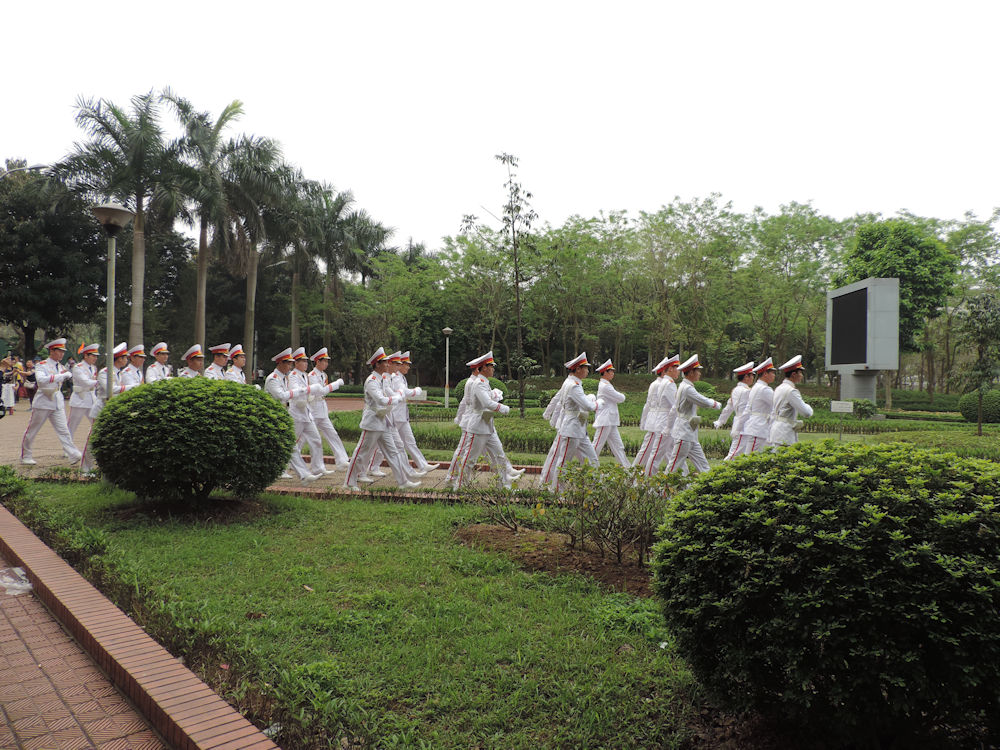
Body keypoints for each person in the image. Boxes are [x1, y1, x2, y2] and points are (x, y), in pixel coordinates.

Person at [344, 347, 422, 491]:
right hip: (372, 422)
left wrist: (396, 396)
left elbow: (388, 394)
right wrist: (397, 397)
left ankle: (403, 481)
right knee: (361, 452)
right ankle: (349, 481)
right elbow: (381, 400)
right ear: (377, 364)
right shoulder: (372, 381)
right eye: (385, 362)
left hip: (383, 421)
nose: (388, 364)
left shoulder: (382, 379)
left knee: (393, 452)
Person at [446, 353, 523, 489]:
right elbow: (487, 403)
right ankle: (460, 485)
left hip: (488, 426)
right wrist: (504, 408)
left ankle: (504, 485)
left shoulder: (484, 382)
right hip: (477, 426)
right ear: (483, 368)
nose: (493, 369)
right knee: (470, 459)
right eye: (491, 366)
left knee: (499, 456)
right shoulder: (478, 384)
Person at [20, 338, 83, 465]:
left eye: (63, 351)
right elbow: (41, 380)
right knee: (33, 429)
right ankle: (26, 455)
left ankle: (72, 453)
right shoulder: (41, 365)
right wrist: (62, 376)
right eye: (59, 351)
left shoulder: (60, 366)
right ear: (52, 351)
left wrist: (67, 375)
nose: (62, 354)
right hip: (43, 400)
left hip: (56, 400)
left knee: (63, 429)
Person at [541, 353, 599, 491]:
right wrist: (598, 402)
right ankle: (556, 491)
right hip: (571, 429)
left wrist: (548, 413)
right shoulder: (573, 386)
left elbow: (558, 398)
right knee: (563, 462)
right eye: (585, 368)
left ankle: (595, 489)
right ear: (578, 369)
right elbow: (588, 406)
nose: (587, 371)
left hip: (578, 429)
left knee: (592, 460)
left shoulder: (572, 383)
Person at [80, 343, 132, 474]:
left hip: (113, 408)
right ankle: (86, 468)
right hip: (101, 408)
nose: (126, 359)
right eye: (125, 357)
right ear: (119, 358)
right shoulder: (105, 372)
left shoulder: (117, 372)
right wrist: (131, 387)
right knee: (94, 439)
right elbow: (111, 390)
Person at [665, 354, 721, 475]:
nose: (699, 374)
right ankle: (662, 492)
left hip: (690, 433)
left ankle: (710, 489)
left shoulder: (685, 386)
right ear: (691, 372)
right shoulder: (687, 388)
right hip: (684, 433)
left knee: (704, 466)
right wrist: (715, 404)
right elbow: (702, 400)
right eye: (697, 371)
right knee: (673, 467)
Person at [288, 346, 327, 478]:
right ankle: (284, 468)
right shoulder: (293, 376)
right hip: (297, 413)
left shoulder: (304, 375)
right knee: (292, 442)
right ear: (296, 363)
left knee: (316, 439)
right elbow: (296, 391)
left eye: (306, 361)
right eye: (302, 361)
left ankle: (317, 468)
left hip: (306, 412)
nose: (305, 364)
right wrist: (310, 390)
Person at [630, 356, 674, 474]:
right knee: (648, 449)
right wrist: (643, 421)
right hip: (656, 421)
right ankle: (634, 472)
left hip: (657, 420)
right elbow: (649, 404)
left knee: (666, 450)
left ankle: (677, 473)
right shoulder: (658, 384)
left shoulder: (659, 383)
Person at [307, 347, 349, 469]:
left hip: (321, 409)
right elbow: (320, 392)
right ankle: (291, 462)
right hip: (313, 408)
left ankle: (342, 459)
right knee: (306, 438)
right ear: (317, 362)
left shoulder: (323, 375)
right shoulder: (312, 375)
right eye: (324, 361)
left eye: (327, 361)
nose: (326, 363)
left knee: (332, 434)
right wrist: (335, 384)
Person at [645, 355, 682, 475]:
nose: (679, 371)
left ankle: (680, 476)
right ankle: (647, 480)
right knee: (657, 454)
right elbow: (675, 406)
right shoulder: (669, 384)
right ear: (670, 369)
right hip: (665, 422)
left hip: (665, 421)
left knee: (672, 452)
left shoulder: (665, 382)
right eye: (677, 368)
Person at [591, 359, 630, 468]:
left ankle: (627, 469)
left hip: (610, 420)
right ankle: (589, 467)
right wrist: (622, 395)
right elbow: (621, 398)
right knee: (596, 445)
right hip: (605, 420)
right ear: (605, 373)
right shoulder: (605, 386)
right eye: (610, 371)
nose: (613, 373)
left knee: (618, 446)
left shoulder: (607, 384)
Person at [769, 355, 814, 447]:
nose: (801, 376)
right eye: (800, 373)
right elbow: (806, 413)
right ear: (794, 374)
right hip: (785, 433)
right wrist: (809, 407)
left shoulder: (779, 388)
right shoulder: (791, 391)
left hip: (776, 429)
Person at [713, 361, 755, 460]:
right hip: (743, 425)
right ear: (746, 377)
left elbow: (728, 408)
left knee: (742, 453)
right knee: (734, 454)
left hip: (741, 423)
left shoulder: (735, 390)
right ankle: (721, 472)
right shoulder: (746, 391)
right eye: (752, 375)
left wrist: (721, 421)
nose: (753, 378)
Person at [735, 358, 777, 455]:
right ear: (765, 374)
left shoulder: (756, 387)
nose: (774, 375)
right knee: (751, 459)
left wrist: (739, 427)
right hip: (758, 428)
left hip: (759, 428)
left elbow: (747, 409)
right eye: (772, 373)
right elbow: (778, 405)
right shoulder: (764, 389)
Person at [68, 343, 100, 441]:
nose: (95, 358)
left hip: (91, 398)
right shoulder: (78, 367)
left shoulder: (93, 367)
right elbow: (85, 382)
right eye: (93, 356)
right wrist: (100, 382)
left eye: (96, 356)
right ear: (86, 355)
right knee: (72, 425)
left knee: (97, 423)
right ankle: (68, 448)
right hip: (80, 399)